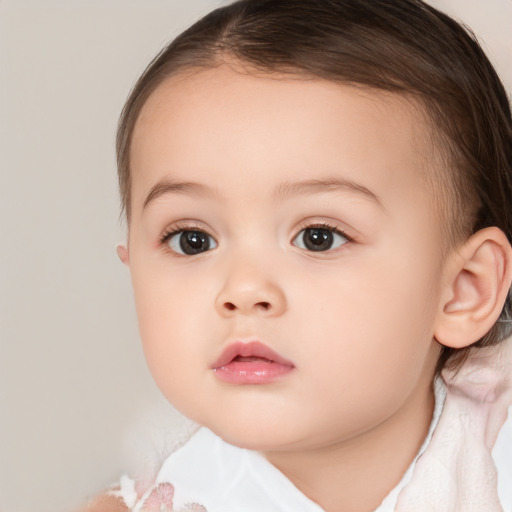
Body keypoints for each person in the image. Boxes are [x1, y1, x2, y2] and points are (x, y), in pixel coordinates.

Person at [83, 0, 512, 510]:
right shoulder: (151, 499)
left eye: (318, 237)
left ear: (465, 289)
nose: (243, 290)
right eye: (191, 239)